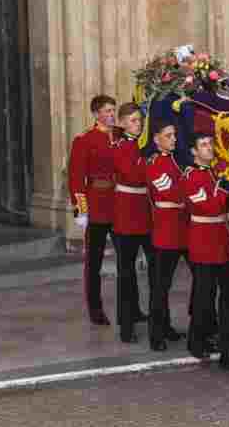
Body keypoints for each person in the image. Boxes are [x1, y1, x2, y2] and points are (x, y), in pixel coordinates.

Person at [182, 132, 229, 369]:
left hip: (222, 241)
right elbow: (206, 207)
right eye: (203, 145)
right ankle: (196, 341)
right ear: (194, 151)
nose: (209, 148)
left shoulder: (215, 171)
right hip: (204, 241)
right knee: (204, 296)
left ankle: (225, 339)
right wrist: (224, 191)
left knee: (228, 295)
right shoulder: (191, 176)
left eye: (210, 144)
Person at [68, 94, 118, 326]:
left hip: (119, 204)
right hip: (97, 204)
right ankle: (95, 309)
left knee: (125, 260)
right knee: (94, 262)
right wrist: (82, 210)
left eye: (112, 110)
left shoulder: (119, 136)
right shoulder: (84, 140)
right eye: (107, 111)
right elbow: (77, 178)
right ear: (96, 113)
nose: (111, 114)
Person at [146, 120, 190, 351]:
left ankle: (167, 326)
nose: (173, 139)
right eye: (168, 135)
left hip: (183, 229)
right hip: (166, 231)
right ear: (156, 139)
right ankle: (156, 333)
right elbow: (171, 192)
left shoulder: (173, 160)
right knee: (161, 286)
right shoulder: (154, 164)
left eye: (174, 135)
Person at [113, 102, 154, 343]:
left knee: (154, 270)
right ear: (121, 123)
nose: (137, 125)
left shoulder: (137, 146)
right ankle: (126, 326)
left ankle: (145, 316)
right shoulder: (122, 146)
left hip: (143, 214)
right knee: (126, 273)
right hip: (127, 214)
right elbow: (132, 175)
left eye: (139, 120)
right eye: (132, 121)